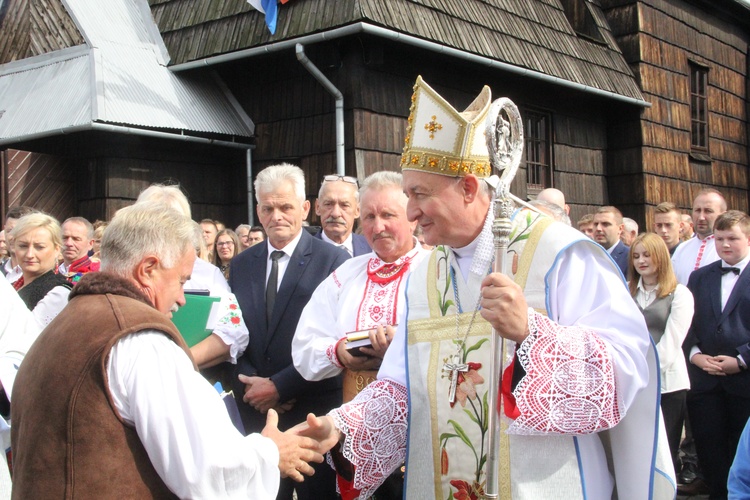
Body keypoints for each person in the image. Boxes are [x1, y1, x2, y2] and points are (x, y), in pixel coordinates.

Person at [294, 76, 674, 500]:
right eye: (408, 194)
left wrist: (533, 332)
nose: (412, 211)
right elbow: (403, 387)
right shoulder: (425, 274)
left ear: (469, 187)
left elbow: (629, 367)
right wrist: (345, 427)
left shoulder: (558, 254)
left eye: (419, 194)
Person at [10, 202, 324, 498]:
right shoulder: (140, 341)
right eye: (181, 280)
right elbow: (206, 471)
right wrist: (271, 452)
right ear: (148, 269)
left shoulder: (63, 322)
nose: (183, 299)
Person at [230, 163, 349, 500]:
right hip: (256, 414)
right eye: (267, 208)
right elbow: (233, 332)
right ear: (258, 210)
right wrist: (251, 384)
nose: (276, 216)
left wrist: (279, 386)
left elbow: (334, 340)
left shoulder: (333, 262)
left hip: (311, 411)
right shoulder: (242, 264)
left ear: (305, 208)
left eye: (285, 207)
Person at [292, 171, 431, 402]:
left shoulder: (435, 270)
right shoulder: (347, 274)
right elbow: (304, 346)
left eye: (388, 215)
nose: (378, 228)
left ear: (412, 218)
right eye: (369, 217)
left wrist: (400, 347)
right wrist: (338, 352)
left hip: (418, 415)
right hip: (355, 418)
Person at [135, 184, 247, 371]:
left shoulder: (206, 273)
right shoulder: (125, 269)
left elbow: (234, 330)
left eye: (171, 225)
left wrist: (177, 363)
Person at [684, 210, 750, 499]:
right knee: (709, 446)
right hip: (705, 380)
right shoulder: (699, 277)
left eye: (733, 238)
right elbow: (685, 322)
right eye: (720, 238)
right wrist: (696, 354)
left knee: (743, 448)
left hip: (745, 380)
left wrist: (742, 360)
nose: (725, 245)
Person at [628, 233, 694, 478]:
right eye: (636, 256)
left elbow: (672, 341)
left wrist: (647, 373)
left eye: (647, 255)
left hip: (667, 384)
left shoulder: (680, 294)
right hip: (632, 381)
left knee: (664, 451)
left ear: (661, 257)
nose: (641, 261)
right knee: (636, 448)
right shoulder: (627, 291)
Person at [10, 213, 72, 327]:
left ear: (57, 249)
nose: (29, 254)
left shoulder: (58, 292)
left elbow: (29, 335)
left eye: (39, 247)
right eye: (23, 246)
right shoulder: (13, 283)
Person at [672, 189, 726, 285]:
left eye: (708, 211)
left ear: (722, 215)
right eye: (697, 210)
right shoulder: (682, 249)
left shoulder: (729, 249)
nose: (701, 217)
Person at [314, 175, 371, 257]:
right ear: (318, 207)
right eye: (328, 204)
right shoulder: (300, 253)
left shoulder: (373, 250)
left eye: (344, 205)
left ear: (357, 210)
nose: (335, 213)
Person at [593, 206, 630, 277]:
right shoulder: (588, 256)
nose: (598, 228)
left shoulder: (629, 257)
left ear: (620, 228)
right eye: (596, 224)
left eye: (605, 224)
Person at [3, 206, 35, 283]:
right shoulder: (1, 271)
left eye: (19, 231)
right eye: (9, 231)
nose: (12, 237)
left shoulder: (40, 276)